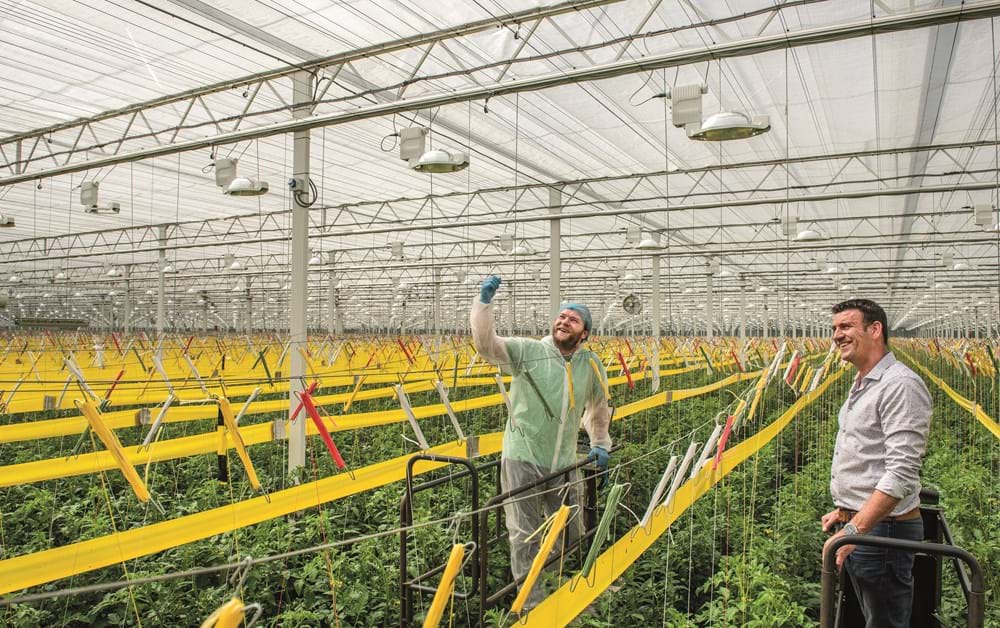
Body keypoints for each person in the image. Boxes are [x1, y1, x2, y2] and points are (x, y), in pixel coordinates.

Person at [470, 275, 612, 610]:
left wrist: (601, 443)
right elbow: (487, 346)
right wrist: (483, 305)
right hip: (522, 457)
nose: (564, 321)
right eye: (561, 316)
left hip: (564, 461)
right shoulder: (529, 351)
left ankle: (558, 585)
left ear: (585, 333)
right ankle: (532, 606)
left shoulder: (590, 364)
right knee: (524, 533)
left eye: (573, 319)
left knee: (572, 530)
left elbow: (598, 407)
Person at [821, 298, 932, 628]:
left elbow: (900, 473)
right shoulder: (863, 381)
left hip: (882, 533)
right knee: (870, 616)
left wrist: (855, 528)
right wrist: (845, 511)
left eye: (846, 326)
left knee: (884, 622)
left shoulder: (900, 385)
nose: (837, 335)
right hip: (868, 527)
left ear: (875, 329)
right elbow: (870, 457)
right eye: (835, 328)